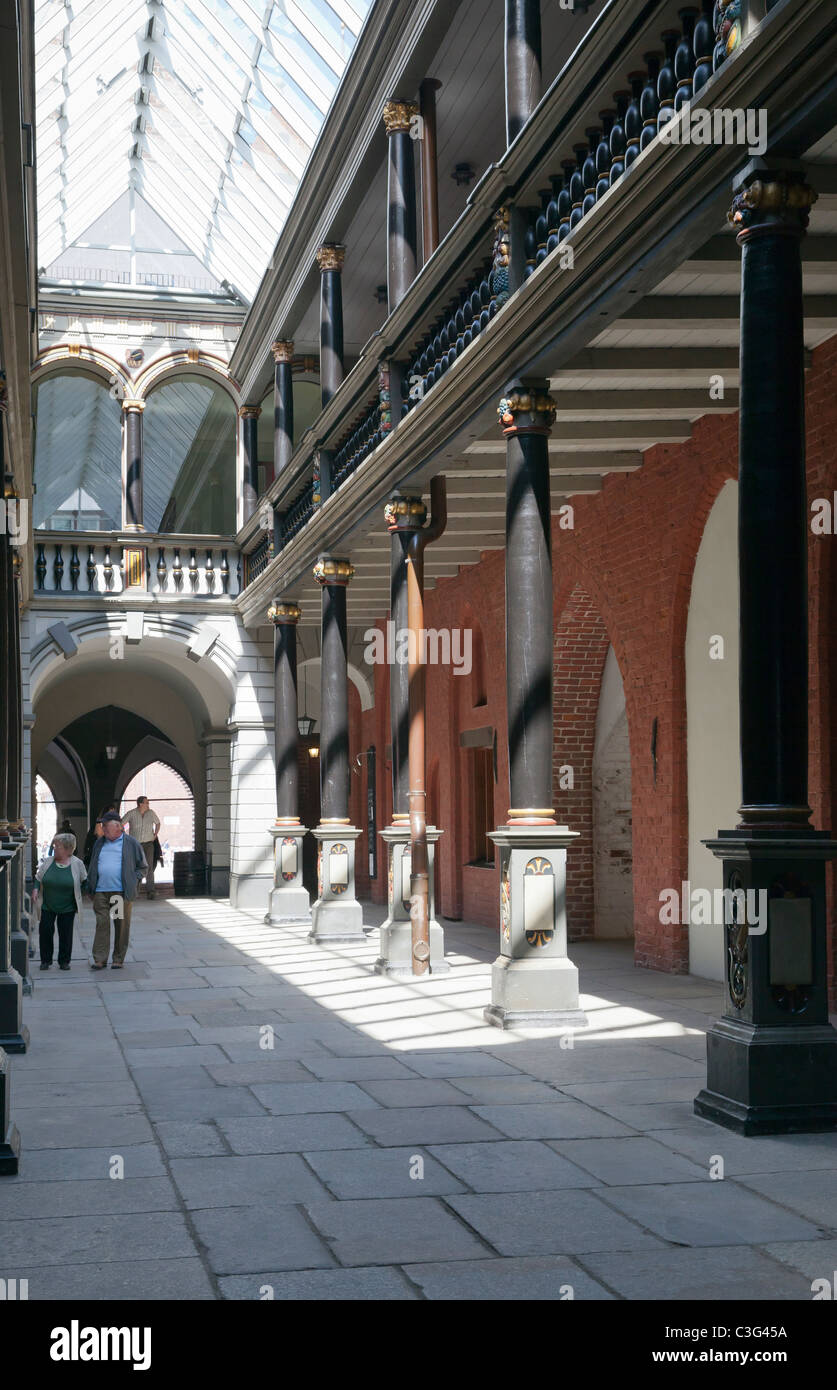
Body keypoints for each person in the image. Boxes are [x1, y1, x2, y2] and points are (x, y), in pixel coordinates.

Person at [85, 811, 146, 969]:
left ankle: (118, 958)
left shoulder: (131, 843)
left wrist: (133, 879)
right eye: (102, 825)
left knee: (120, 925)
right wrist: (90, 886)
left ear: (118, 827)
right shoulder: (100, 842)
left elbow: (143, 867)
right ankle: (100, 958)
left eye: (106, 825)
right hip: (100, 892)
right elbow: (92, 864)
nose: (103, 828)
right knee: (102, 923)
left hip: (119, 893)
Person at [32, 832, 86, 971]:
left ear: (68, 849)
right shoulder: (48, 861)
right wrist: (36, 890)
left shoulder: (77, 864)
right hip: (47, 904)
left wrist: (84, 894)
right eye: (54, 846)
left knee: (66, 934)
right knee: (45, 931)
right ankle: (45, 960)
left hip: (67, 906)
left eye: (58, 846)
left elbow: (84, 881)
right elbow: (38, 878)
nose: (54, 848)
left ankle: (64, 961)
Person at [124, 796, 161, 899]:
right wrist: (124, 837)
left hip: (149, 843)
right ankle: (134, 890)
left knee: (149, 867)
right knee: (136, 867)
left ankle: (151, 891)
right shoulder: (131, 813)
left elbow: (158, 823)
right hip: (135, 845)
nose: (148, 804)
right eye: (147, 803)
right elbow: (121, 824)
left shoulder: (151, 813)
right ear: (140, 804)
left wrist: (155, 834)